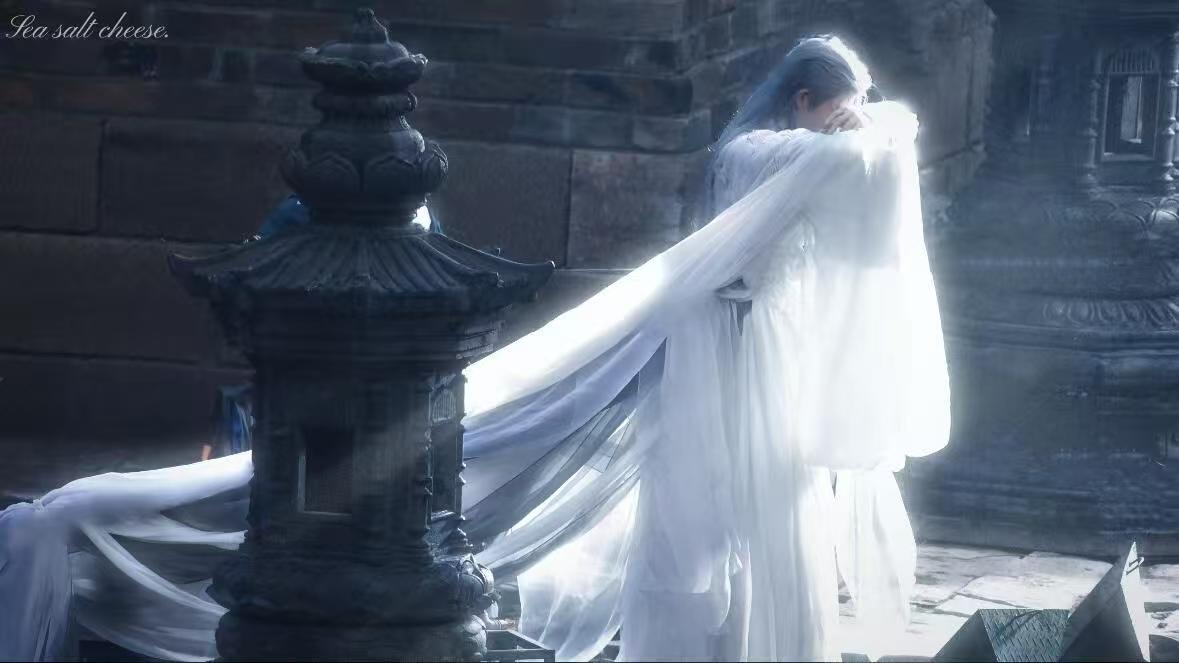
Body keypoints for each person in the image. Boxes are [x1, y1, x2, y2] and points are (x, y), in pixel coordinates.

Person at [0, 35, 949, 662]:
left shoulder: (809, 157)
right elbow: (859, 158)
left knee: (763, 505)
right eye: (836, 107)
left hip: (767, 347)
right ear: (803, 100)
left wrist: (871, 121)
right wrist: (878, 124)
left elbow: (865, 209)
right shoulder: (756, 156)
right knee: (688, 504)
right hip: (723, 347)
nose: (849, 122)